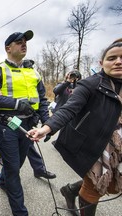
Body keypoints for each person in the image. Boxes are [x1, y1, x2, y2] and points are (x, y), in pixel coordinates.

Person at [28, 39, 122, 216]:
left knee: (112, 184)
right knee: (94, 186)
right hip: (94, 146)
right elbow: (68, 109)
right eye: (112, 58)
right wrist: (46, 128)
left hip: (119, 146)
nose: (118, 61)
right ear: (102, 63)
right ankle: (77, 193)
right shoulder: (90, 84)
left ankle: (70, 190)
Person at [0, 30, 55, 216]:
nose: (24, 44)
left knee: (16, 164)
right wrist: (15, 103)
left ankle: (3, 180)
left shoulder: (34, 71)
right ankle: (20, 212)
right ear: (8, 48)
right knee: (14, 170)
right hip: (8, 125)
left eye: (25, 42)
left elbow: (42, 98)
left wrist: (48, 124)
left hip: (29, 126)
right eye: (19, 42)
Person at [52, 70, 82, 216]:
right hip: (60, 113)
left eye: (76, 77)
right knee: (63, 131)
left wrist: (76, 83)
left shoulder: (79, 88)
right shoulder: (63, 85)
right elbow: (56, 91)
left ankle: (59, 141)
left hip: (73, 117)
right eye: (72, 76)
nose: (73, 78)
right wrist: (66, 81)